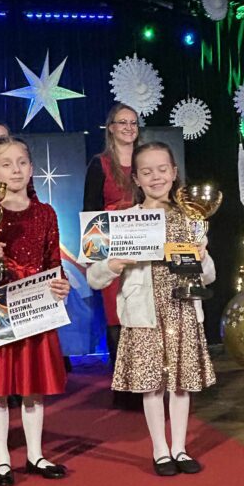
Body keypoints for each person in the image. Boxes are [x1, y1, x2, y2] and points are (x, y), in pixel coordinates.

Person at [87, 142, 216, 476]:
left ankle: (180, 448)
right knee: (152, 383)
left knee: (181, 383)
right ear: (136, 179)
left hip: (182, 309)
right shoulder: (123, 222)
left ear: (174, 173)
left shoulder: (190, 218)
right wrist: (113, 264)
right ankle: (160, 450)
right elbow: (94, 277)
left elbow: (209, 275)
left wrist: (202, 258)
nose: (156, 177)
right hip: (144, 313)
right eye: (147, 172)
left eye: (162, 169)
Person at [0, 137, 70, 486]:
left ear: (32, 167)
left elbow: (53, 262)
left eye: (22, 162)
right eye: (6, 164)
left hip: (34, 304)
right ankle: (1, 459)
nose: (16, 170)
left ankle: (35, 454)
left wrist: (61, 285)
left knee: (32, 385)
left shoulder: (45, 213)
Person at [83, 103, 139, 366]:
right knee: (115, 311)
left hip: (144, 245)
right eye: (123, 122)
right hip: (113, 248)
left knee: (143, 307)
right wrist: (95, 257)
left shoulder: (146, 160)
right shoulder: (100, 164)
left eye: (133, 123)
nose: (129, 127)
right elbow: (90, 212)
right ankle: (121, 375)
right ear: (111, 128)